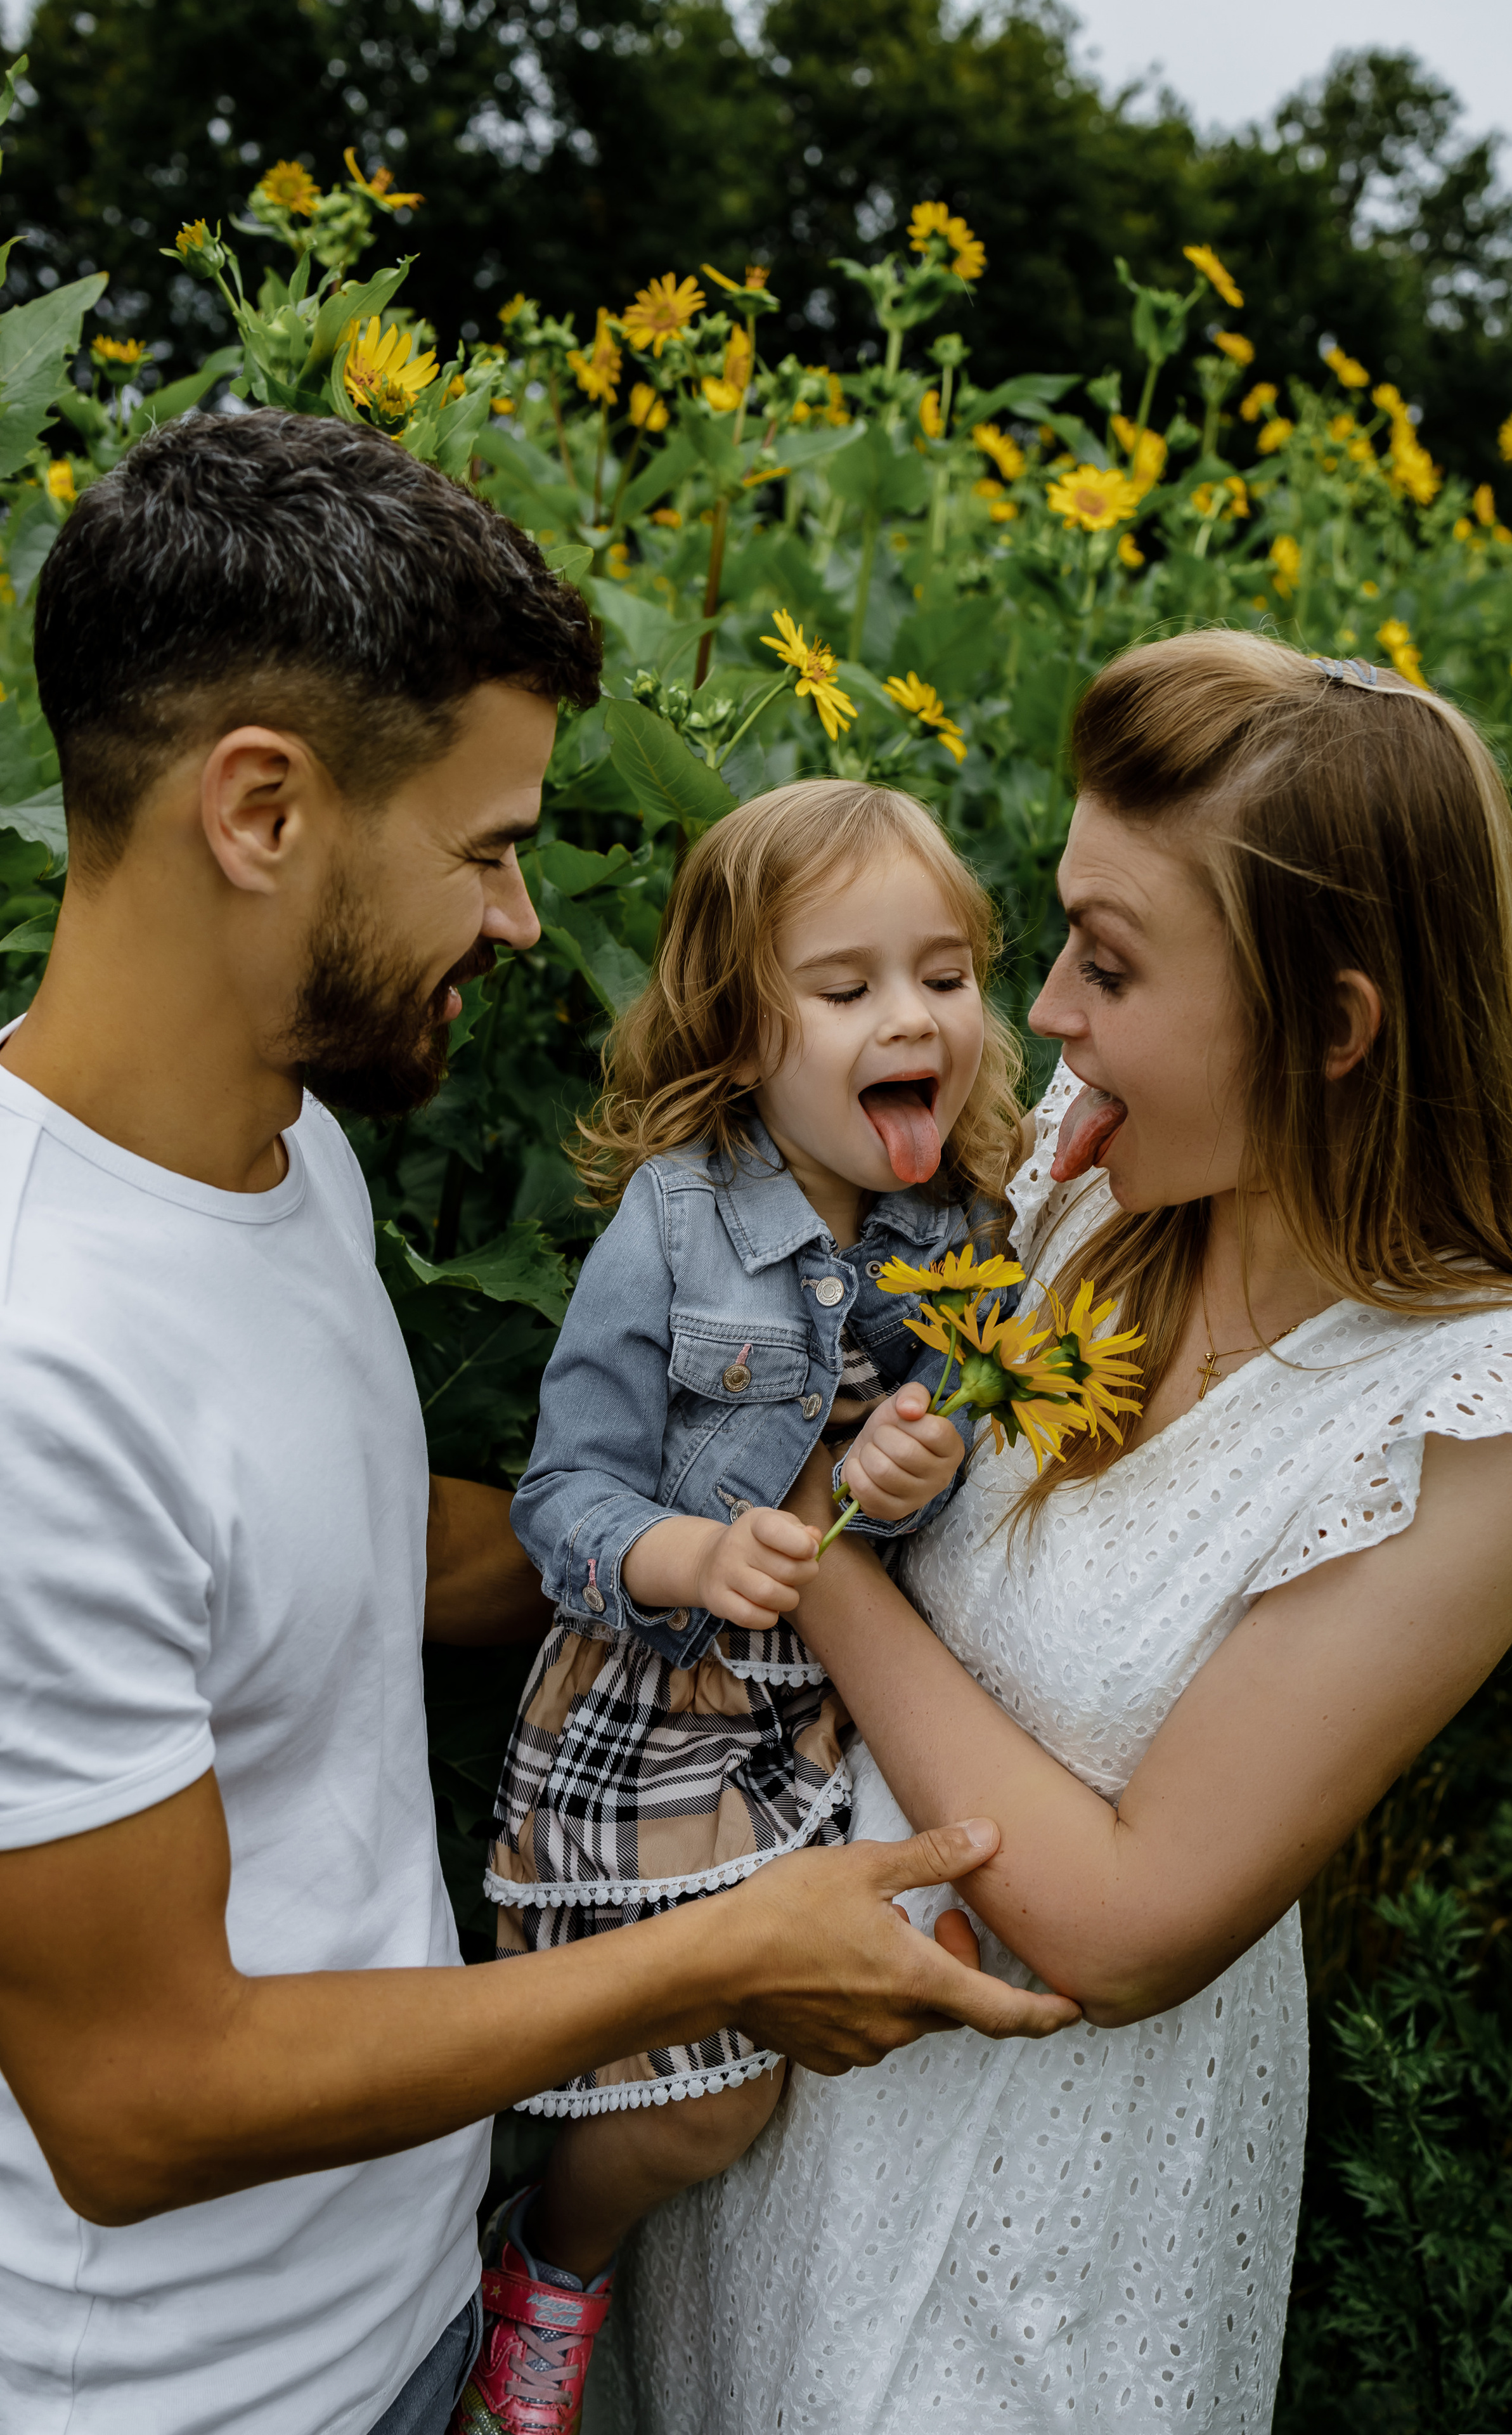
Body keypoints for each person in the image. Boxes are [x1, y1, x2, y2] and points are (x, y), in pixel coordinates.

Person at [0, 409, 1076, 2435]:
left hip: (396, 2296)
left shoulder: (278, 1147)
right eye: (486, 852)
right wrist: (717, 1954)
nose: (515, 922)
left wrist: (752, 1555)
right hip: (195, 2393)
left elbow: (340, 1550)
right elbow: (136, 2105)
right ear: (260, 811)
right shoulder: (31, 1364)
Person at [616, 632, 1512, 2432]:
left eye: (1115, 962)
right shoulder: (1088, 1197)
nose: (1054, 1014)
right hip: (788, 2122)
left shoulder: (1489, 1417)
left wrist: (820, 1557)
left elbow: (1134, 1923)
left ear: (1333, 1027)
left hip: (1051, 2228)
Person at [462, 781, 1019, 2416]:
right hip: (666, 1701)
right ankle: (546, 2268)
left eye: (946, 975)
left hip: (843, 1713)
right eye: (846, 991)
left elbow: (976, 1408)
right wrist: (693, 1556)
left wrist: (931, 1449)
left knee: (818, 2073)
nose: (910, 1018)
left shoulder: (965, 1227)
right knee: (704, 2104)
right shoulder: (680, 1221)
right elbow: (560, 1499)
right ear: (740, 1026)